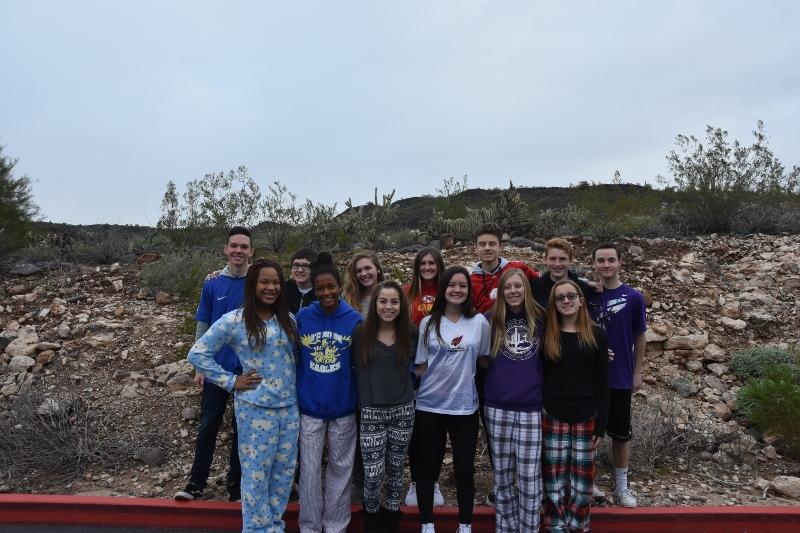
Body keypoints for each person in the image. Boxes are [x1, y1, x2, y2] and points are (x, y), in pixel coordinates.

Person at [187, 258, 300, 532]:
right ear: (252, 285)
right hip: (255, 410)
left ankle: (275, 526)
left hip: (289, 410)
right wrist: (231, 381)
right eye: (264, 282)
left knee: (283, 475)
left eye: (275, 282)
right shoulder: (235, 320)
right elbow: (198, 354)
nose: (270, 287)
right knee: (256, 476)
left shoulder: (289, 320)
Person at [175, 226, 252, 502]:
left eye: (244, 246)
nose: (238, 251)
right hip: (217, 371)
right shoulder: (213, 283)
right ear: (226, 249)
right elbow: (203, 325)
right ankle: (196, 484)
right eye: (234, 246)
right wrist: (200, 367)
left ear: (251, 251)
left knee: (241, 431)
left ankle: (236, 488)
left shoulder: (257, 282)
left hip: (247, 372)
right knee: (208, 425)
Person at [415, 265, 490, 533]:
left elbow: (483, 361)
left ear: (468, 291)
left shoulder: (479, 322)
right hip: (428, 406)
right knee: (428, 467)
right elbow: (421, 365)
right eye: (451, 285)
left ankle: (465, 524)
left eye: (462, 286)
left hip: (464, 407)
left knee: (464, 469)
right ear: (443, 289)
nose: (457, 290)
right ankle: (427, 524)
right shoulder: (428, 322)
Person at [469, 222, 539, 505]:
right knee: (490, 422)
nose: (487, 248)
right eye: (482, 244)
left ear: (500, 246)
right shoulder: (470, 277)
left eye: (492, 244)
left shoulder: (519, 270)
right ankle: (500, 482)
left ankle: (525, 484)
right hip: (485, 353)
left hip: (516, 351)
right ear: (476, 247)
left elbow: (549, 283)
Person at [296, 253, 363, 533]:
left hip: (343, 408)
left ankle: (336, 526)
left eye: (330, 287)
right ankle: (310, 527)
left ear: (340, 286)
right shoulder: (302, 317)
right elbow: (294, 358)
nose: (326, 293)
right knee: (310, 472)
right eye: (320, 288)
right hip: (310, 408)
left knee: (340, 469)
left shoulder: (354, 319)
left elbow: (359, 364)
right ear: (313, 288)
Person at [481, 269, 545, 533]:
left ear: (526, 289)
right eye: (508, 287)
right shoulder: (489, 319)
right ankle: (505, 528)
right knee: (503, 477)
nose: (513, 291)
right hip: (497, 406)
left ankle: (528, 528)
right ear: (501, 291)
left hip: (531, 406)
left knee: (529, 478)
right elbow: (481, 359)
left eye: (518, 286)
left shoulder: (541, 318)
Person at [542, 280, 609, 532]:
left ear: (581, 299)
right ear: (554, 304)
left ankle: (578, 527)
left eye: (571, 296)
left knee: (582, 488)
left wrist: (601, 426)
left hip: (586, 418)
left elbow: (603, 383)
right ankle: (556, 527)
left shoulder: (597, 335)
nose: (566, 301)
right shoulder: (548, 335)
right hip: (553, 416)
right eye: (560, 298)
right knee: (554, 484)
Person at [354, 281, 417, 533]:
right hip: (371, 411)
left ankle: (391, 520)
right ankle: (371, 521)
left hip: (403, 410)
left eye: (394, 301)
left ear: (401, 305)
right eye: (383, 301)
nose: (388, 307)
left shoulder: (411, 333)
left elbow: (421, 366)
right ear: (375, 304)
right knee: (373, 474)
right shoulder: (361, 332)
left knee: (395, 470)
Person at [589, 242, 646, 508]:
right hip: (590, 379)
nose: (606, 265)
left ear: (620, 262)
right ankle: (587, 483)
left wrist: (637, 371)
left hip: (621, 376)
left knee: (621, 435)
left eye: (611, 260)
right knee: (589, 433)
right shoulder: (587, 296)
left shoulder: (633, 297)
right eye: (601, 260)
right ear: (594, 264)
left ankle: (622, 485)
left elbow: (639, 335)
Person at [402, 247, 446, 507]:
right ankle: (416, 481)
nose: (428, 267)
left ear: (439, 265)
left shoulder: (448, 290)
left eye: (432, 263)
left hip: (442, 369)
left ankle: (434, 481)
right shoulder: (408, 292)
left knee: (437, 429)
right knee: (415, 429)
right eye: (423, 263)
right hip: (414, 367)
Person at [532, 238, 598, 310]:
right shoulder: (534, 287)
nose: (557, 264)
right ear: (545, 260)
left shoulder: (583, 288)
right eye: (552, 259)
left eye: (562, 259)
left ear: (570, 261)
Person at [343, 251, 385, 317]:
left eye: (368, 268)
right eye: (359, 271)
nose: (364, 274)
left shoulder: (393, 296)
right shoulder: (348, 299)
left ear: (378, 269)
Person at [285, 248, 318, 314]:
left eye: (306, 266)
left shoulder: (321, 294)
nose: (300, 270)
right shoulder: (282, 290)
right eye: (296, 265)